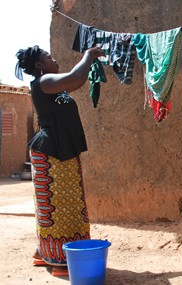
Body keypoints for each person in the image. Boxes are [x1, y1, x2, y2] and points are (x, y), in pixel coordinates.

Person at [15, 45, 105, 277]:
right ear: (38, 65)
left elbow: (76, 81)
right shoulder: (44, 81)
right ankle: (61, 260)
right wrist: (88, 55)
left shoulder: (50, 86)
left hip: (59, 151)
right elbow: (76, 78)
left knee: (63, 205)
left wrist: (88, 61)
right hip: (53, 154)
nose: (53, 59)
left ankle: (44, 252)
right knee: (61, 206)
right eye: (48, 57)